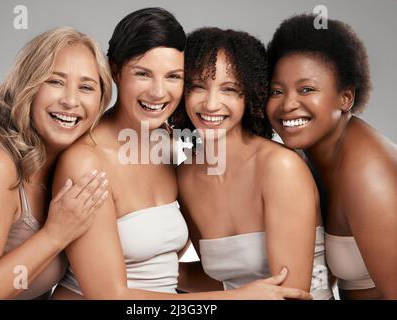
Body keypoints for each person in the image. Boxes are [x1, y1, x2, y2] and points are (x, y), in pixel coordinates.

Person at [51, 7, 311, 300]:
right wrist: (238, 298)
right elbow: (110, 297)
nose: (158, 92)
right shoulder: (86, 160)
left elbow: (172, 274)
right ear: (114, 70)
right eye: (142, 74)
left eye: (173, 76)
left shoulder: (168, 144)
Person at [0, 27, 112, 299]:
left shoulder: (65, 167)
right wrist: (54, 235)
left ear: (101, 101)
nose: (70, 101)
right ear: (28, 86)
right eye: (55, 82)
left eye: (86, 87)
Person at [170, 27, 332, 300]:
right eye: (198, 86)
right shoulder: (185, 176)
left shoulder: (280, 168)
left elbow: (290, 295)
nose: (211, 104)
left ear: (251, 95)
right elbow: (222, 283)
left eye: (229, 89)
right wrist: (147, 272)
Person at [266, 14, 397, 300]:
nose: (288, 104)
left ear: (345, 98)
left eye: (307, 89)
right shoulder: (304, 158)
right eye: (276, 91)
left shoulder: (368, 175)